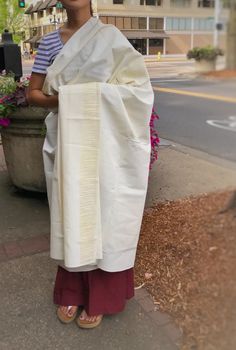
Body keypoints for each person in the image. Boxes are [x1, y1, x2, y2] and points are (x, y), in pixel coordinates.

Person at [27, 0, 154, 329]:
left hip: (106, 147)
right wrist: (68, 101)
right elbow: (34, 94)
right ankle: (71, 289)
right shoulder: (49, 42)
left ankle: (101, 296)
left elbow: (139, 91)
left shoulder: (110, 36)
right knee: (72, 210)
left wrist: (88, 96)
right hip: (68, 143)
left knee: (106, 214)